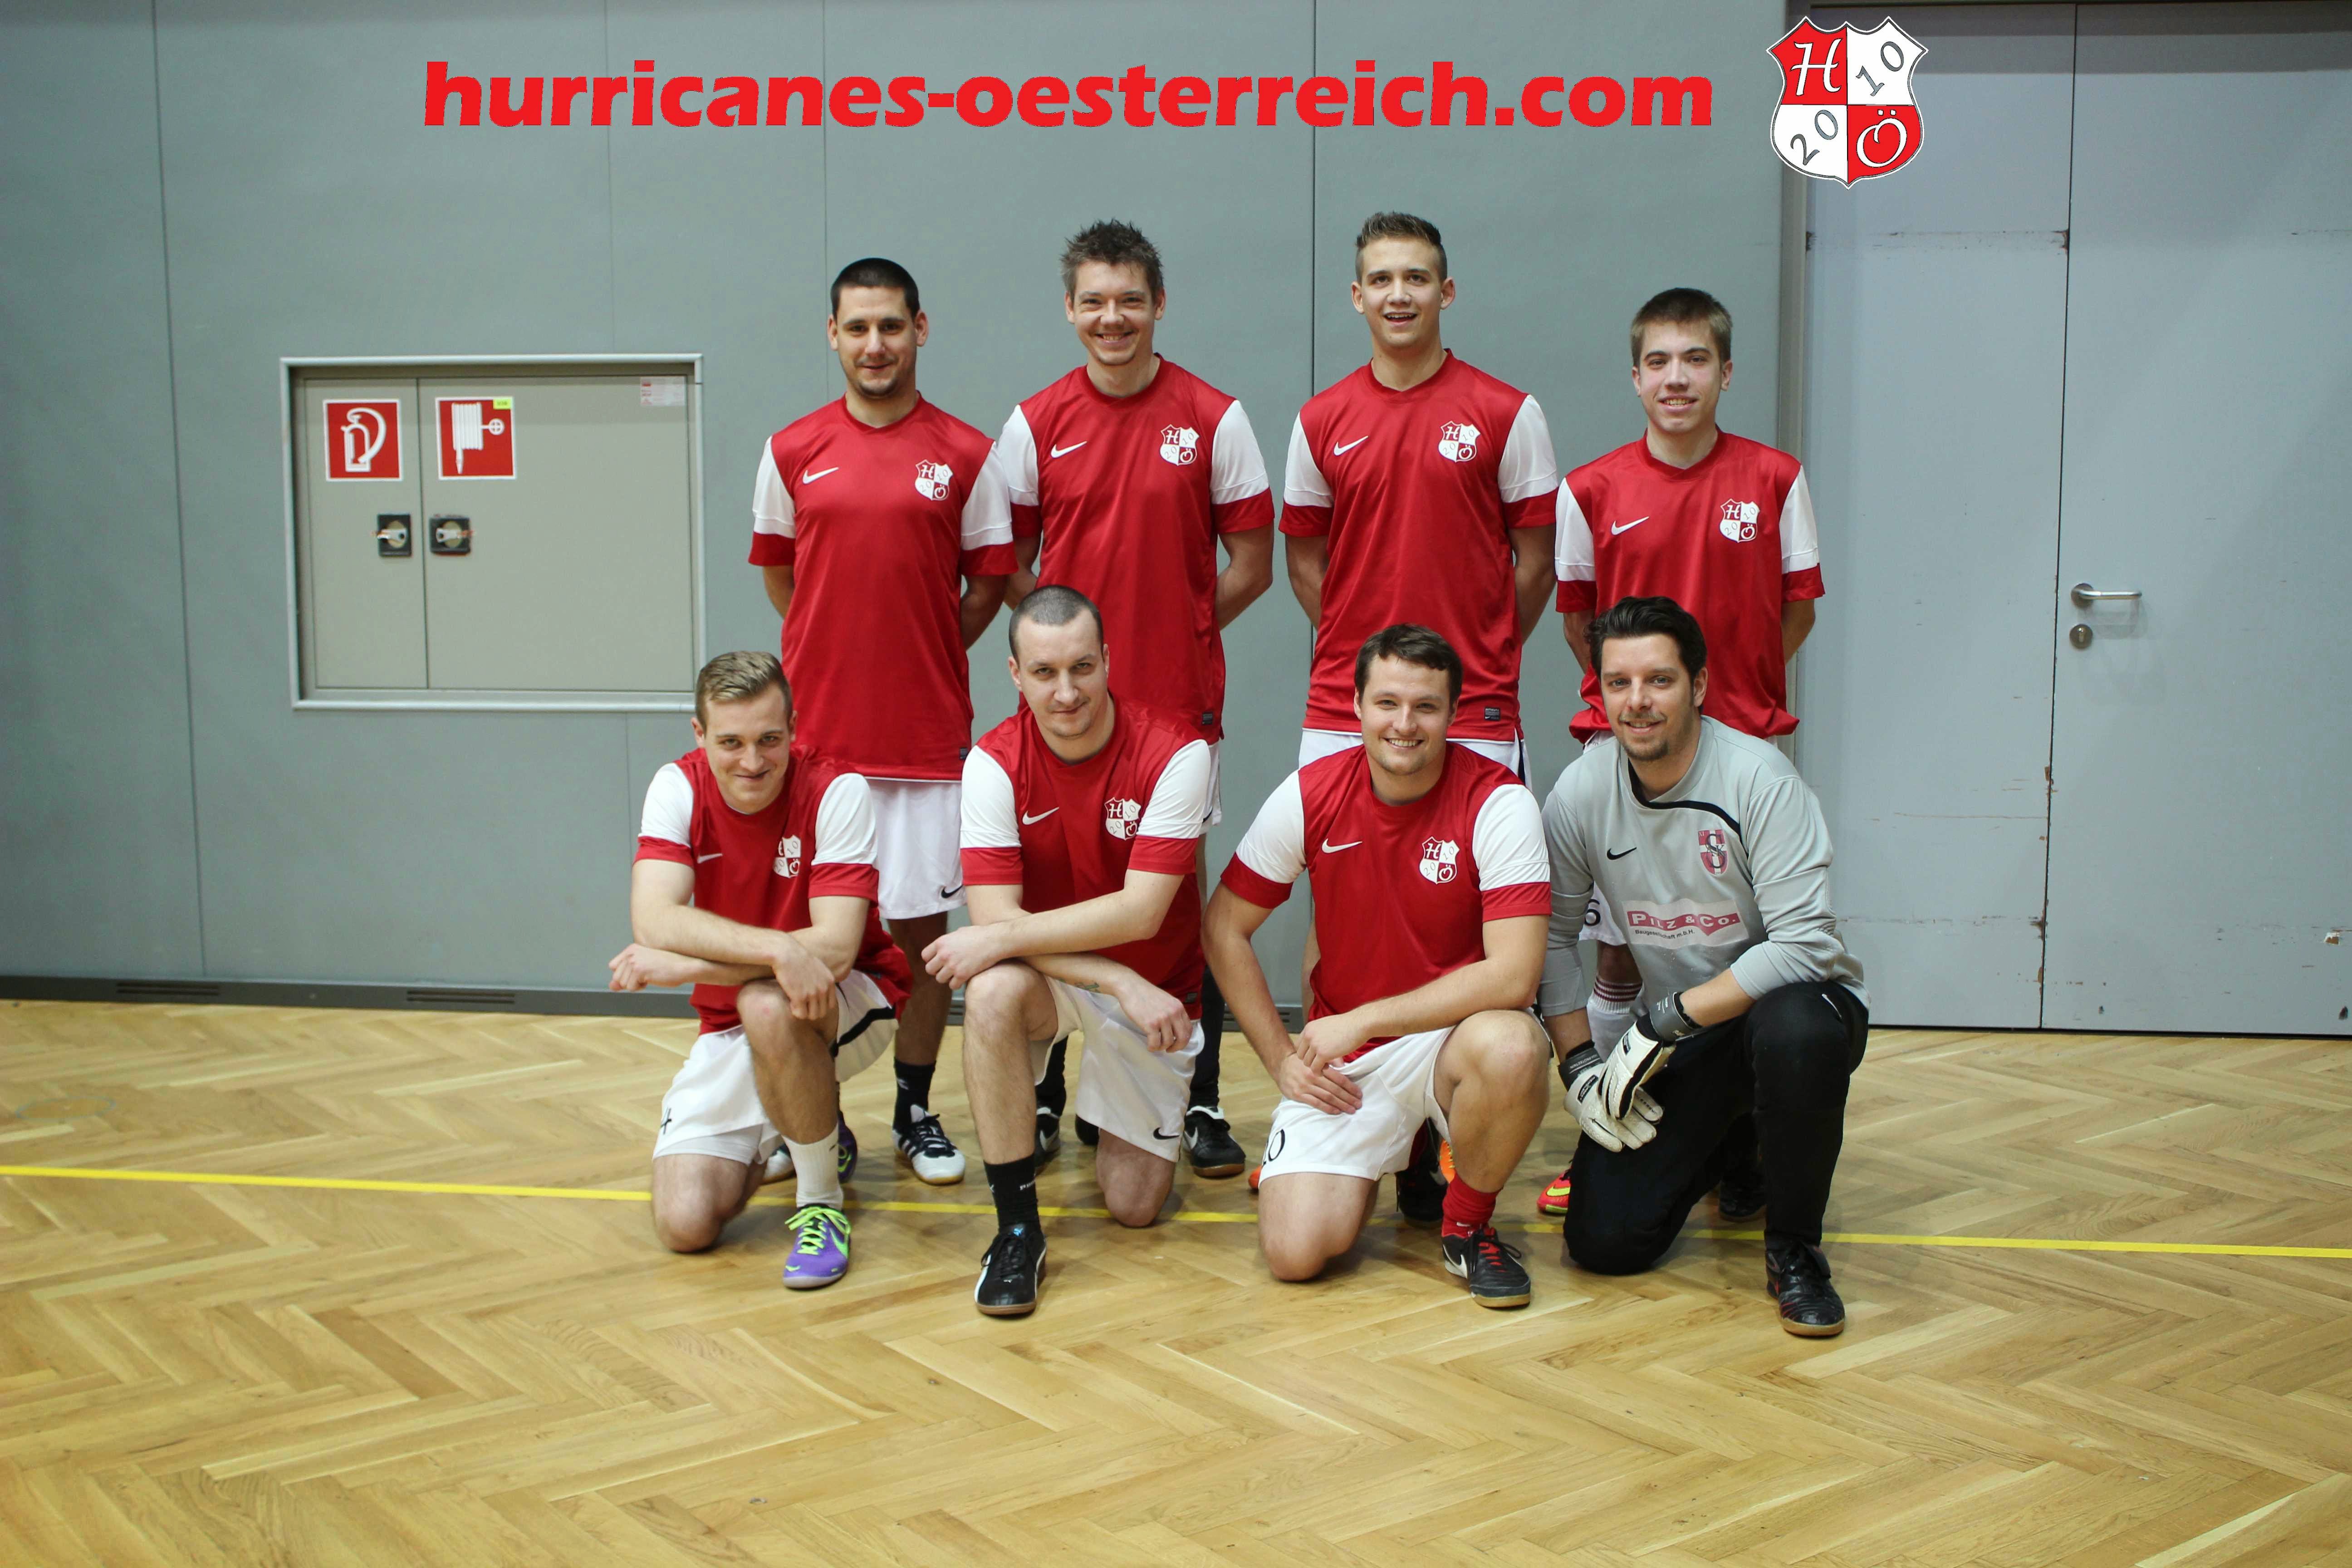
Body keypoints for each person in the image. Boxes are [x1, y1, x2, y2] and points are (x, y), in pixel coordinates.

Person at [1279, 211, 1558, 1213]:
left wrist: (1476, 655)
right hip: (1343, 703)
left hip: (1473, 705)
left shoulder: (1506, 411)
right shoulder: (1321, 419)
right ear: (1357, 295)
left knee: (1471, 920)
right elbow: (1305, 559)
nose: (1399, 294)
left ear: (1448, 291)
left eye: (1418, 277)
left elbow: (1536, 561)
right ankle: (1346, 1100)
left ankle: (1449, 1123)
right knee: (1341, 911)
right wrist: (1369, 674)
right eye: (1382, 279)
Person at [994, 220, 1274, 1181]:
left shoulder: (1214, 417)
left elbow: (1252, 564)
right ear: (1070, 310)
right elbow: (1014, 567)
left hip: (1176, 714)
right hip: (1068, 709)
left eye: (1129, 300)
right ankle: (1046, 1086)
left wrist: (1184, 627)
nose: (1112, 318)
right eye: (1094, 302)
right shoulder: (1034, 423)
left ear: (1159, 305)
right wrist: (1067, 658)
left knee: (1178, 899)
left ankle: (1198, 1096)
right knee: (1052, 889)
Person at [1543, 287, 1827, 1220]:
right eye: (1659, 362)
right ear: (1635, 377)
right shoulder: (1590, 490)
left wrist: (1726, 701)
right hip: (1631, 752)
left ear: (1727, 373)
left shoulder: (1776, 479)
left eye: (1696, 359)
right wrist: (1643, 703)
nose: (1677, 378)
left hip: (1740, 746)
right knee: (1623, 962)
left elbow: (1796, 610)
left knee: (1750, 955)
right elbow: (1580, 623)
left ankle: (1739, 1138)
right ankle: (1612, 1118)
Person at [751, 257, 1014, 1187]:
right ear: (833, 334)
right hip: (819, 745)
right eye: (857, 327)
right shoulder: (791, 449)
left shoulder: (969, 454)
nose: (875, 344)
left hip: (924, 742)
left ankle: (913, 1108)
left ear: (920, 330)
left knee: (921, 939)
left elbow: (987, 587)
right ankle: (817, 1120)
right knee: (818, 940)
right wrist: (834, 646)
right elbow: (783, 578)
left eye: (891, 326)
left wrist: (922, 647)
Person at [1539, 597, 1867, 1336]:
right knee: (1604, 1241)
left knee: (1793, 1034)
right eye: (1619, 683)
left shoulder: (1760, 779)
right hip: (1691, 1039)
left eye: (1659, 680)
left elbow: (1804, 945)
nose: (1638, 701)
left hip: (1801, 1010)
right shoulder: (1582, 792)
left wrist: (1663, 1020)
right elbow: (1553, 940)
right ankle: (1735, 1144)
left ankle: (1796, 1250)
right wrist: (1580, 1065)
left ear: (1700, 686)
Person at [1203, 624, 1553, 1308]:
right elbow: (1223, 927)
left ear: (1453, 713)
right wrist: (1280, 1060)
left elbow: (1515, 976)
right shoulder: (1311, 793)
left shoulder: (1500, 801)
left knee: (1515, 1046)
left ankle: (1467, 1226)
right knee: (1296, 1253)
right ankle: (1405, 1148)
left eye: (1426, 706)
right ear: (1357, 705)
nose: (1405, 724)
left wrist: (1364, 1017)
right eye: (1388, 703)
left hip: (1451, 1040)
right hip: (1350, 1063)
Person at [924, 587, 1214, 1317]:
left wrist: (1004, 936)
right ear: (1015, 675)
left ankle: (1103, 1111)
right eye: (1045, 673)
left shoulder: (1178, 752)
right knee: (991, 992)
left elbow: (1141, 914)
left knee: (1134, 1206)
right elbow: (998, 924)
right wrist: (1112, 977)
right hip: (1076, 981)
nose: (1067, 692)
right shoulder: (993, 763)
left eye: (1083, 667)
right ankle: (1017, 1230)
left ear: (1108, 660)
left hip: (1156, 986)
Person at [608, 652, 911, 1290]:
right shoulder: (677, 786)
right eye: (731, 743)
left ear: (794, 728)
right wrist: (778, 949)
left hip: (852, 998)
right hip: (732, 1019)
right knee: (685, 1223)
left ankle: (821, 1202)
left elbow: (835, 950)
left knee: (768, 1004)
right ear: (700, 735)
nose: (752, 761)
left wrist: (688, 965)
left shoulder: (836, 790)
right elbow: (653, 919)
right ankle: (810, 1125)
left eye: (770, 740)